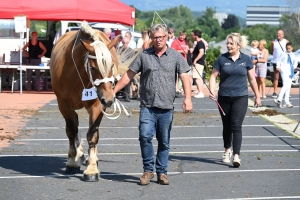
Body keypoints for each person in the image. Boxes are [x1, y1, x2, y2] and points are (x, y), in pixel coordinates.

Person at [113, 24, 192, 185]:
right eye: (155, 37)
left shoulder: (175, 56)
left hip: (166, 107)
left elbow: (184, 77)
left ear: (166, 37)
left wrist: (188, 98)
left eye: (161, 37)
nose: (158, 40)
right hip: (147, 106)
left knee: (164, 142)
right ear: (151, 38)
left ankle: (162, 172)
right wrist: (113, 91)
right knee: (144, 136)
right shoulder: (144, 56)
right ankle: (148, 170)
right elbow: (129, 75)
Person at [209, 33, 261, 168]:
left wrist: (257, 95)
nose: (228, 45)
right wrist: (212, 90)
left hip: (241, 97)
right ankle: (227, 150)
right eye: (227, 43)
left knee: (236, 125)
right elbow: (213, 76)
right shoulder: (221, 59)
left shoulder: (246, 59)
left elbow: (252, 79)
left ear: (239, 45)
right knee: (226, 126)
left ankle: (237, 155)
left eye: (231, 43)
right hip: (224, 97)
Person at [274, 42, 297, 108]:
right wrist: (278, 67)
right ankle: (279, 99)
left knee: (288, 86)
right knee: (285, 85)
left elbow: (295, 62)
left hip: (290, 71)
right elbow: (279, 61)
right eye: (287, 48)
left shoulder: (293, 55)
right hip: (284, 71)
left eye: (289, 48)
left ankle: (286, 101)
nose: (288, 50)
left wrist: (294, 66)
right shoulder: (283, 54)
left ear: (292, 48)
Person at [116, 37, 136, 102]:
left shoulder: (131, 51)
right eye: (123, 43)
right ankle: (115, 93)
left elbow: (132, 61)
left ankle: (126, 94)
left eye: (126, 43)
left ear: (128, 43)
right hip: (118, 68)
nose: (125, 44)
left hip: (127, 68)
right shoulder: (118, 49)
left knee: (127, 76)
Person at [271, 30, 289, 98]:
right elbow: (273, 51)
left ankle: (285, 92)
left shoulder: (286, 41)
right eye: (277, 33)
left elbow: (289, 51)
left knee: (284, 77)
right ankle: (275, 92)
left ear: (283, 35)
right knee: (276, 77)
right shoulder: (274, 42)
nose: (278, 35)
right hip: (276, 61)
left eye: (280, 34)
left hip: (284, 62)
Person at [171, 30, 189, 98]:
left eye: (183, 36)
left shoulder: (184, 42)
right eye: (181, 35)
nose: (182, 37)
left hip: (183, 60)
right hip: (176, 60)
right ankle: (176, 89)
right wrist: (182, 51)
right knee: (177, 76)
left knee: (183, 76)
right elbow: (172, 50)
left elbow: (186, 52)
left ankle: (181, 89)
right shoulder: (175, 41)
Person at [191, 30, 205, 98]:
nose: (192, 37)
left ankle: (200, 92)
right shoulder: (199, 43)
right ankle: (200, 91)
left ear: (196, 36)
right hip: (200, 63)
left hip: (198, 63)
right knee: (199, 77)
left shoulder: (200, 43)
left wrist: (195, 60)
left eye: (192, 35)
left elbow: (201, 52)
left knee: (196, 77)